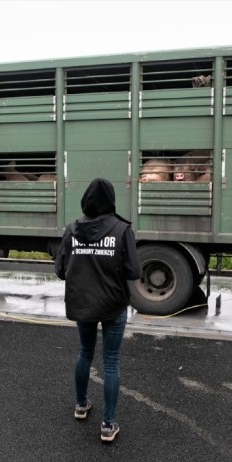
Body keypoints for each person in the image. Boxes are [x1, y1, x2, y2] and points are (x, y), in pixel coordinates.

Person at [55, 178, 141, 442]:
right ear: (111, 200)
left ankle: (81, 406)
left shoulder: (71, 230)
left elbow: (60, 271)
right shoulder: (121, 229)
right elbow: (134, 271)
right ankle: (108, 424)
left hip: (83, 303)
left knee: (85, 353)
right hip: (113, 305)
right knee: (111, 361)